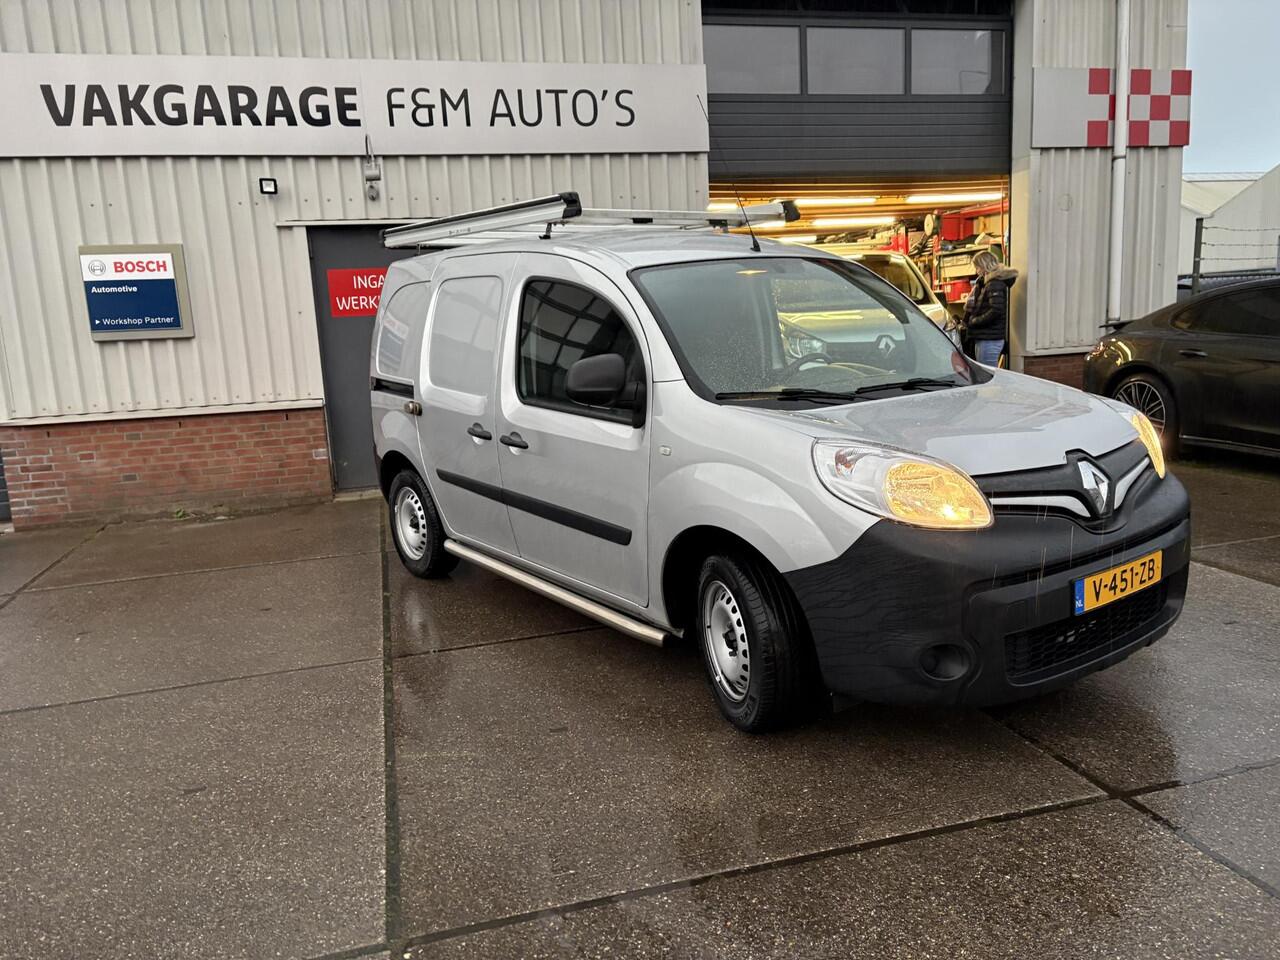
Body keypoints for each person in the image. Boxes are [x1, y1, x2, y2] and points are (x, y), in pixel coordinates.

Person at [963, 250, 1017, 366]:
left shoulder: (994, 284)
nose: (976, 270)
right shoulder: (987, 283)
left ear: (984, 265)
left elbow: (996, 310)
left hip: (989, 339)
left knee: (988, 374)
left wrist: (975, 321)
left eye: (977, 267)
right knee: (986, 373)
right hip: (987, 337)